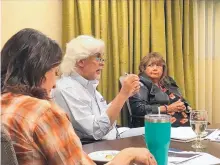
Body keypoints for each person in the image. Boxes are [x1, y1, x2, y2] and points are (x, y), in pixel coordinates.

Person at [1, 28, 156, 165]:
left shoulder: (4, 103)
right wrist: (128, 154)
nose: (55, 85)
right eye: (54, 72)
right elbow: (97, 130)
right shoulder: (43, 111)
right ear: (38, 71)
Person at [52, 35, 143, 140]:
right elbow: (96, 131)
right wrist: (122, 95)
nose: (102, 63)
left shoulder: (88, 85)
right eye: (98, 58)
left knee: (163, 130)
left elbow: (105, 119)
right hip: (99, 145)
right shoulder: (66, 89)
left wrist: (126, 94)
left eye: (102, 58)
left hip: (115, 134)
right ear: (81, 61)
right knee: (158, 134)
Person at [129, 52, 191, 128]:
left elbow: (181, 99)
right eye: (150, 65)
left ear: (163, 69)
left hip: (183, 120)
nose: (155, 68)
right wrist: (167, 108)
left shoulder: (168, 81)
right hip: (157, 124)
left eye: (158, 65)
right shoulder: (139, 84)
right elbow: (138, 109)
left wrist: (184, 106)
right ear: (144, 69)